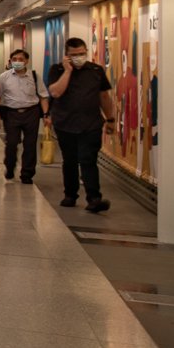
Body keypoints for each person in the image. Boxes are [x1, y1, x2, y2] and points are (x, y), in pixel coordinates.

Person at [49, 36, 119, 214]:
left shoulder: (96, 70)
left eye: (82, 53)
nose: (79, 57)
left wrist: (110, 119)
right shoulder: (56, 70)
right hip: (65, 123)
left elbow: (104, 96)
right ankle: (70, 195)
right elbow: (56, 92)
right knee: (70, 161)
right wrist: (68, 71)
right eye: (74, 54)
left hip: (91, 124)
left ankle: (94, 198)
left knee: (88, 160)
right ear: (67, 56)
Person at [0, 48, 49, 185]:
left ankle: (27, 173)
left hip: (31, 112)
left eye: (21, 59)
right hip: (11, 113)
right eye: (14, 59)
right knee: (12, 142)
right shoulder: (4, 77)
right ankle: (10, 166)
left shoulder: (35, 76)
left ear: (27, 61)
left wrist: (46, 114)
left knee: (30, 144)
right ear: (10, 61)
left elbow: (43, 97)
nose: (17, 62)